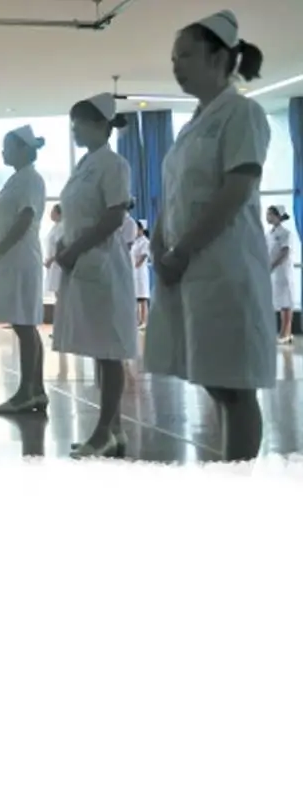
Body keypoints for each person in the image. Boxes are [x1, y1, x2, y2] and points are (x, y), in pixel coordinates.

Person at [144, 9, 272, 461]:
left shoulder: (243, 114)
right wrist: (159, 243)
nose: (176, 65)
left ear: (218, 57)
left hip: (225, 267)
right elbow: (175, 194)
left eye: (185, 55)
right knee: (215, 380)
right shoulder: (193, 125)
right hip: (190, 270)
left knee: (235, 386)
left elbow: (236, 190)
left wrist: (182, 250)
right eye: (173, 57)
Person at [53, 92, 137, 458]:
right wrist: (66, 245)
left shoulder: (114, 164)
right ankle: (114, 430)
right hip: (83, 263)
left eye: (81, 124)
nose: (75, 130)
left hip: (101, 263)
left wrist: (74, 249)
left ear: (102, 125)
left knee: (109, 351)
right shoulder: (86, 165)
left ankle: (103, 432)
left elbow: (114, 216)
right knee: (99, 350)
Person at [0, 125, 48, 413]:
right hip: (13, 259)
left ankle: (26, 392)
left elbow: (24, 220)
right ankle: (36, 391)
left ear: (23, 149)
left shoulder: (31, 179)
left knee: (24, 325)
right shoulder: (17, 179)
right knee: (25, 326)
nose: (3, 152)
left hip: (21, 258)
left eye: (8, 147)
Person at [266, 205, 294, 345]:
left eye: (270, 214)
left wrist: (273, 265)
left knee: (286, 303)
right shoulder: (269, 234)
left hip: (282, 272)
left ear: (278, 216)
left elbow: (284, 253)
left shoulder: (285, 233)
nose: (268, 217)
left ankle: (285, 333)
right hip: (272, 273)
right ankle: (284, 333)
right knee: (278, 302)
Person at [44, 204, 63, 313]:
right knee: (58, 294)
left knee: (60, 293)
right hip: (54, 263)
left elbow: (61, 246)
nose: (51, 214)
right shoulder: (56, 227)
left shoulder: (61, 227)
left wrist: (51, 259)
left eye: (53, 212)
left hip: (57, 264)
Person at [132, 219, 151, 328]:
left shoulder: (145, 242)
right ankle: (138, 320)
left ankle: (144, 320)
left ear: (141, 230)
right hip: (134, 272)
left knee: (143, 297)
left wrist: (137, 263)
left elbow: (144, 255)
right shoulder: (135, 242)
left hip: (140, 272)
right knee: (136, 297)